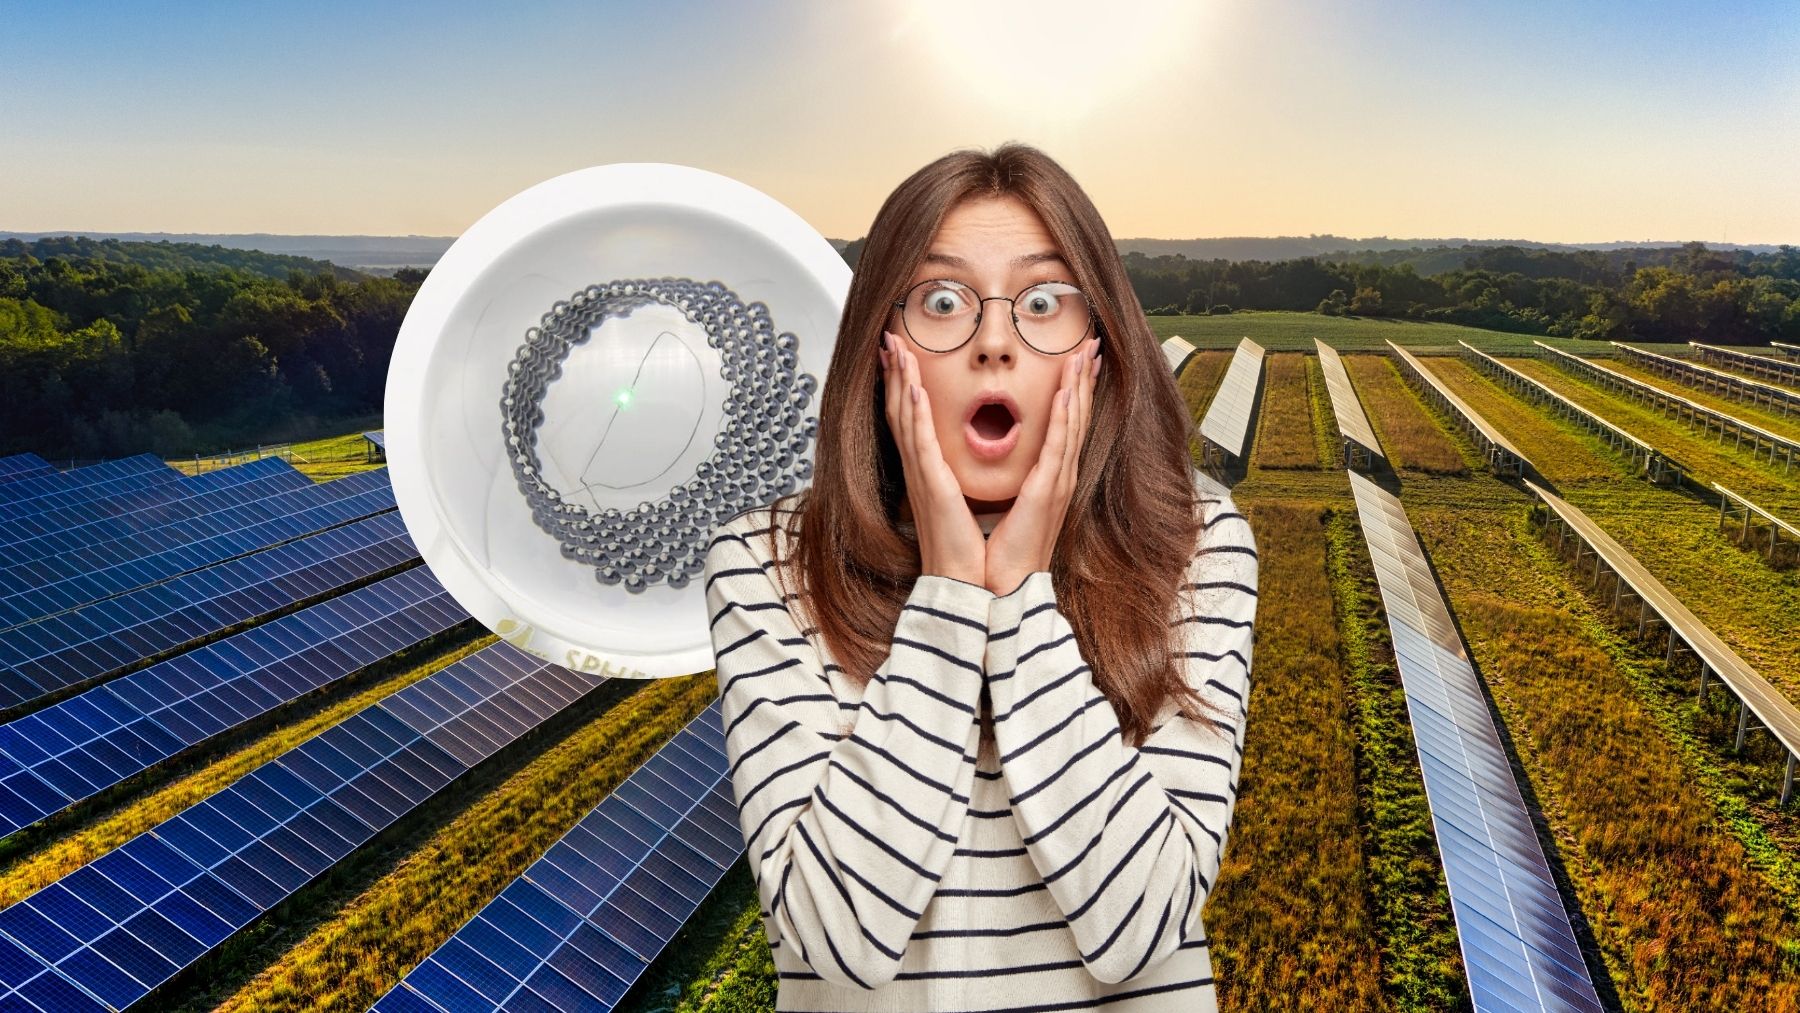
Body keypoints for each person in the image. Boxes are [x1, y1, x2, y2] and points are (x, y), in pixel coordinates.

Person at [702, 142, 1257, 1011]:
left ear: (1100, 344)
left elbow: (1142, 928)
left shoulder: (1198, 546)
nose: (994, 342)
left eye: (1042, 301)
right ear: (882, 345)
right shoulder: (765, 563)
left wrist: (1021, 599)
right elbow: (835, 937)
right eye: (942, 300)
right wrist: (954, 594)